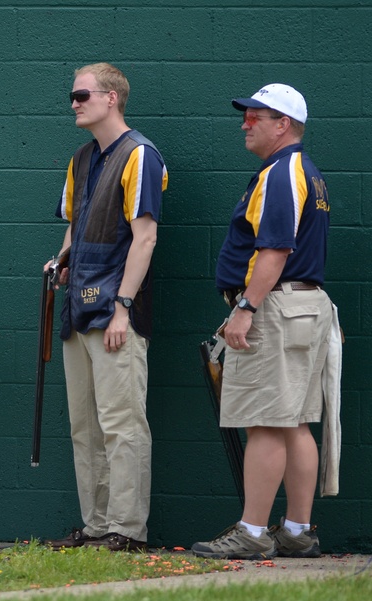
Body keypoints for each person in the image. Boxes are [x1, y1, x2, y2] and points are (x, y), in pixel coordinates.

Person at [192, 84, 334, 560]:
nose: (245, 123)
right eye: (246, 115)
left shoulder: (280, 173)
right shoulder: (304, 172)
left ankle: (252, 534)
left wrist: (245, 309)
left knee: (265, 422)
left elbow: (274, 251)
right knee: (293, 421)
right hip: (302, 306)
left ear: (284, 124)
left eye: (257, 116)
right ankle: (296, 530)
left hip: (273, 305)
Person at [45, 63, 168, 553]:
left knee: (122, 424)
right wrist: (61, 262)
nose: (74, 103)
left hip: (115, 313)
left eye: (81, 95)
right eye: (72, 96)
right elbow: (75, 227)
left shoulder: (140, 155)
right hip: (78, 310)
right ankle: (96, 525)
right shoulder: (81, 159)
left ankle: (127, 528)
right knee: (85, 426)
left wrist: (123, 307)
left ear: (112, 97)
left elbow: (146, 238)